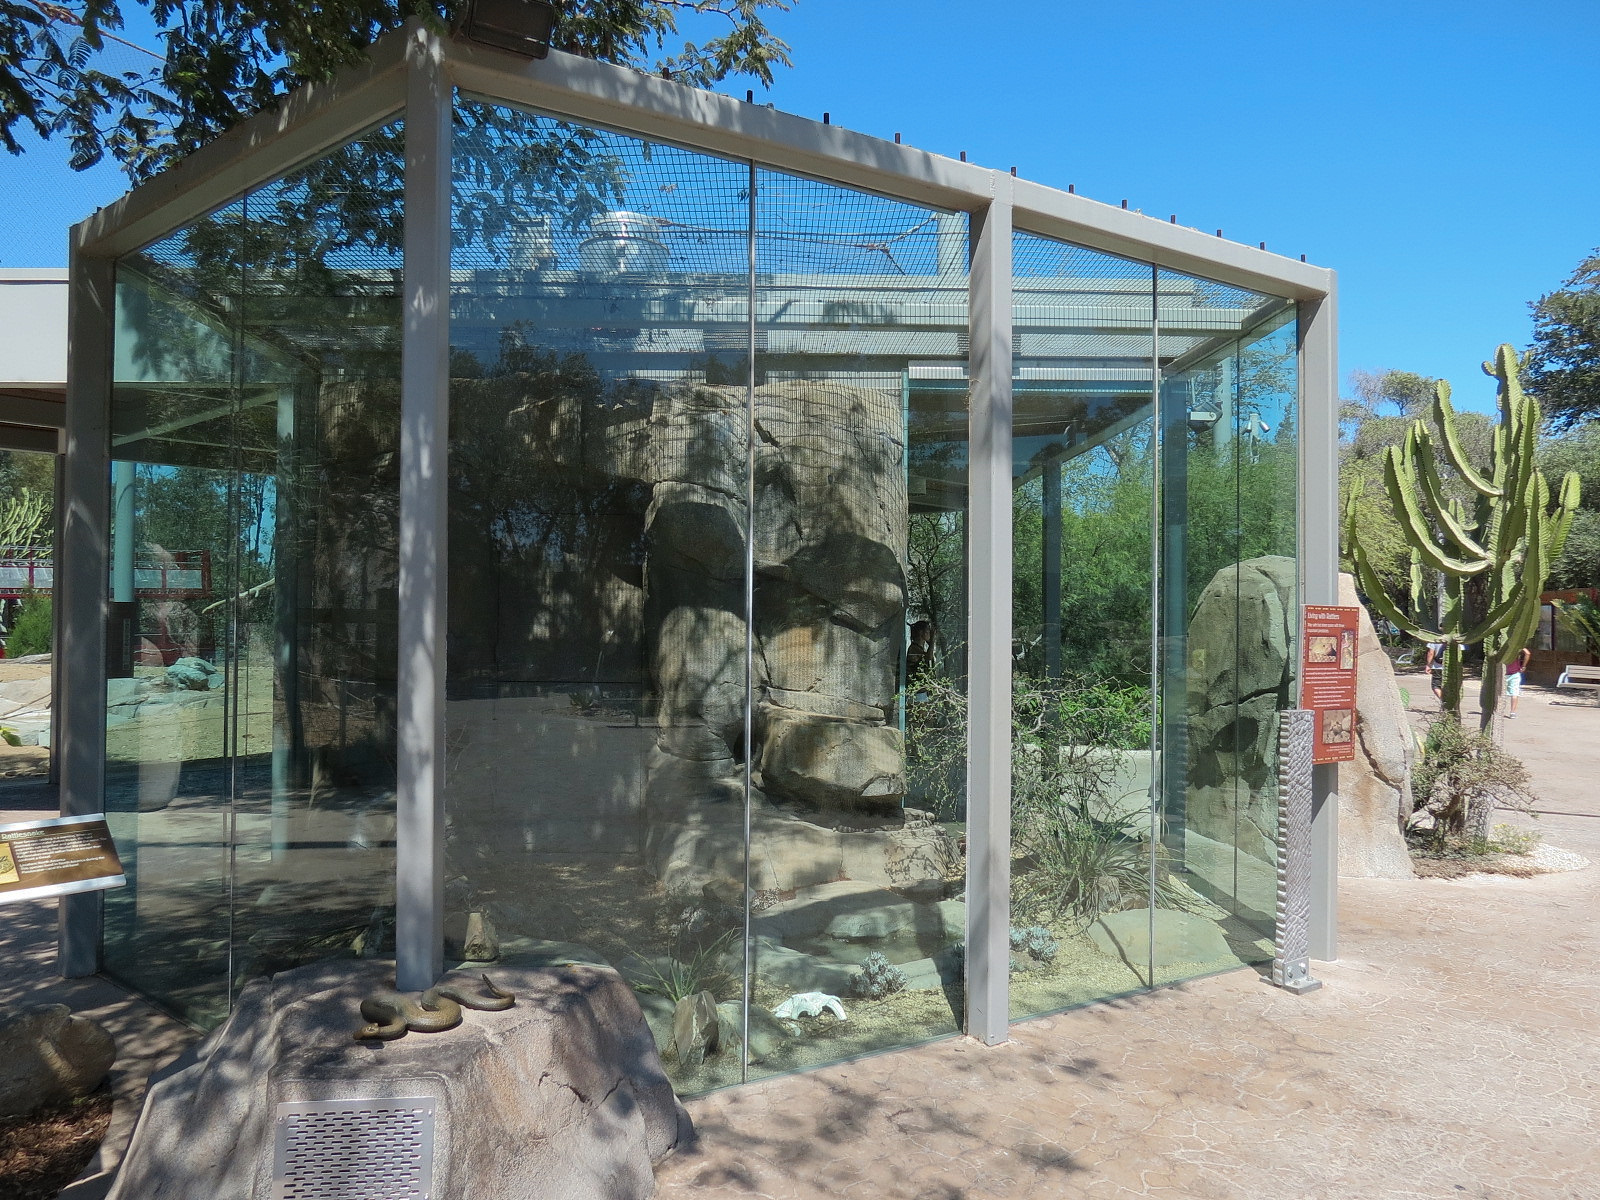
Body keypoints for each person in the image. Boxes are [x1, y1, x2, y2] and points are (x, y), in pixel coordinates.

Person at [1504, 645, 1532, 718]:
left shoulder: (1502, 646)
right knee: (1514, 693)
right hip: (1514, 672)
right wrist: (1524, 666)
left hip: (1502, 672)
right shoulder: (1516, 645)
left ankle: (1497, 710)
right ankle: (1512, 712)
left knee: (1499, 692)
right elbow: (1527, 653)